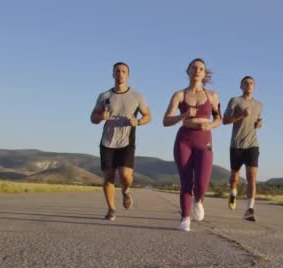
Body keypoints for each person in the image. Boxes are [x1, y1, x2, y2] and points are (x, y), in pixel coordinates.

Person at [163, 58, 221, 231]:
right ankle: (185, 218)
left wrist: (208, 125)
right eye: (194, 68)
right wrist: (184, 115)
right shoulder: (179, 95)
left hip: (205, 140)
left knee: (202, 182)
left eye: (201, 68)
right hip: (185, 140)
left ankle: (199, 199)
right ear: (188, 71)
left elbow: (219, 119)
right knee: (186, 181)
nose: (197, 70)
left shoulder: (212, 96)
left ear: (204, 73)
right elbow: (165, 120)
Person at [90, 62, 152, 221]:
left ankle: (126, 191)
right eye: (117, 71)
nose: (120, 73)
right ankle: (111, 209)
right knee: (108, 176)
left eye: (124, 71)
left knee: (125, 174)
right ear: (113, 74)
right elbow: (93, 118)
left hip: (126, 140)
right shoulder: (104, 96)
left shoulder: (137, 96)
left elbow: (148, 116)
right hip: (107, 141)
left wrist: (138, 122)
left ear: (128, 75)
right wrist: (100, 117)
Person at [223, 76, 263, 222]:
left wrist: (259, 124)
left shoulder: (259, 104)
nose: (249, 85)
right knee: (235, 177)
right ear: (241, 86)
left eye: (251, 83)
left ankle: (249, 210)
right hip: (236, 145)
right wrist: (240, 115)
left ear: (254, 86)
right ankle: (233, 192)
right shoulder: (235, 101)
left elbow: (258, 120)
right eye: (246, 83)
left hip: (252, 144)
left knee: (252, 179)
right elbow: (225, 121)